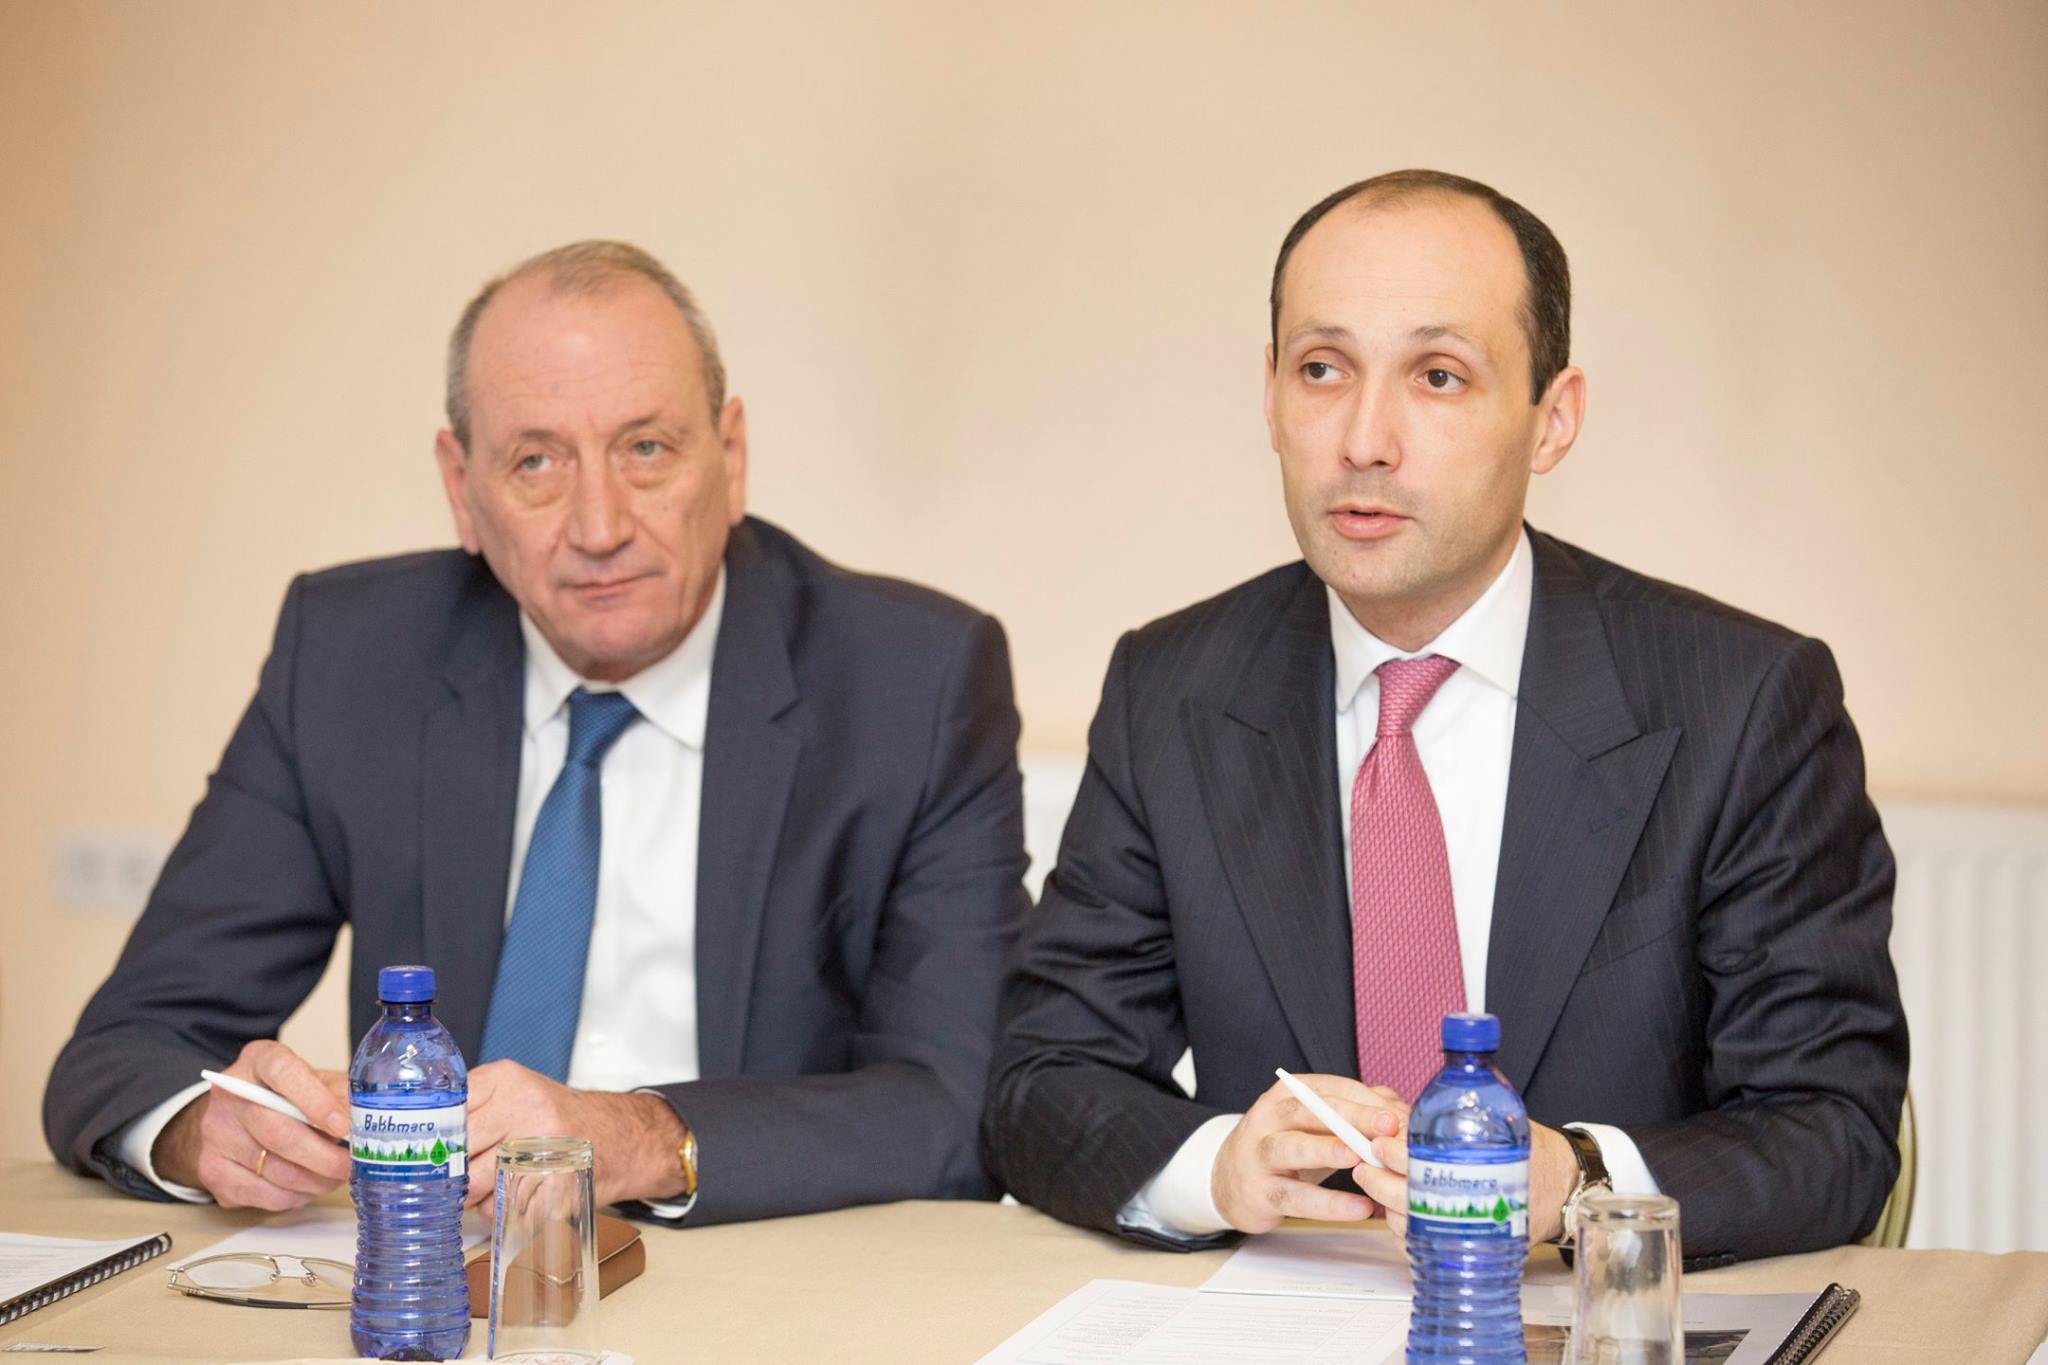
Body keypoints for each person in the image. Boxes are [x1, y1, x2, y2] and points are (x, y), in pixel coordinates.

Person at [982, 170, 1908, 1264]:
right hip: (1280, 1319)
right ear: (1269, 397)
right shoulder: (1172, 689)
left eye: (1437, 376)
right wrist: (1217, 1165)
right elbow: (1044, 1078)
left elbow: (1831, 1128)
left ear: (1551, 419)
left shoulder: (1742, 700)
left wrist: (1577, 1182)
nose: (1363, 439)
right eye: (1320, 369)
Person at [45, 241, 1029, 1227]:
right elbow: (128, 1046)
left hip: (757, 1266)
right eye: (535, 462)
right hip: (432, 1275)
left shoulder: (911, 683)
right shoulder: (350, 662)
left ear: (730, 459)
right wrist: (203, 1131)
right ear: (461, 488)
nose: (599, 526)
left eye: (647, 449)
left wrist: (640, 1137)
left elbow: (955, 1105)